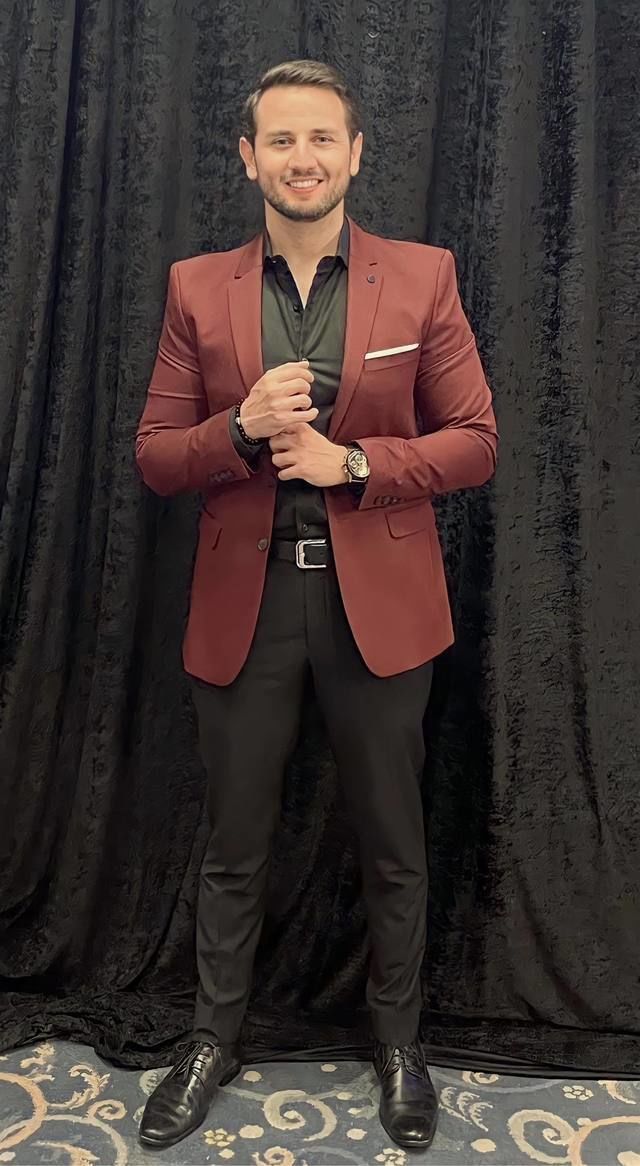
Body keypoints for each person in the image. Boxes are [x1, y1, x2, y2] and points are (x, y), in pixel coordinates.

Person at [135, 58, 498, 1153]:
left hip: (378, 603)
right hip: (246, 606)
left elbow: (475, 441)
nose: (303, 159)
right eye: (282, 141)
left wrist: (357, 464)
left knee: (392, 840)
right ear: (249, 158)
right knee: (234, 842)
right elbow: (158, 456)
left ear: (355, 153)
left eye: (322, 139)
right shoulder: (196, 287)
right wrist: (239, 427)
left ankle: (399, 1043)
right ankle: (211, 1037)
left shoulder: (422, 276)